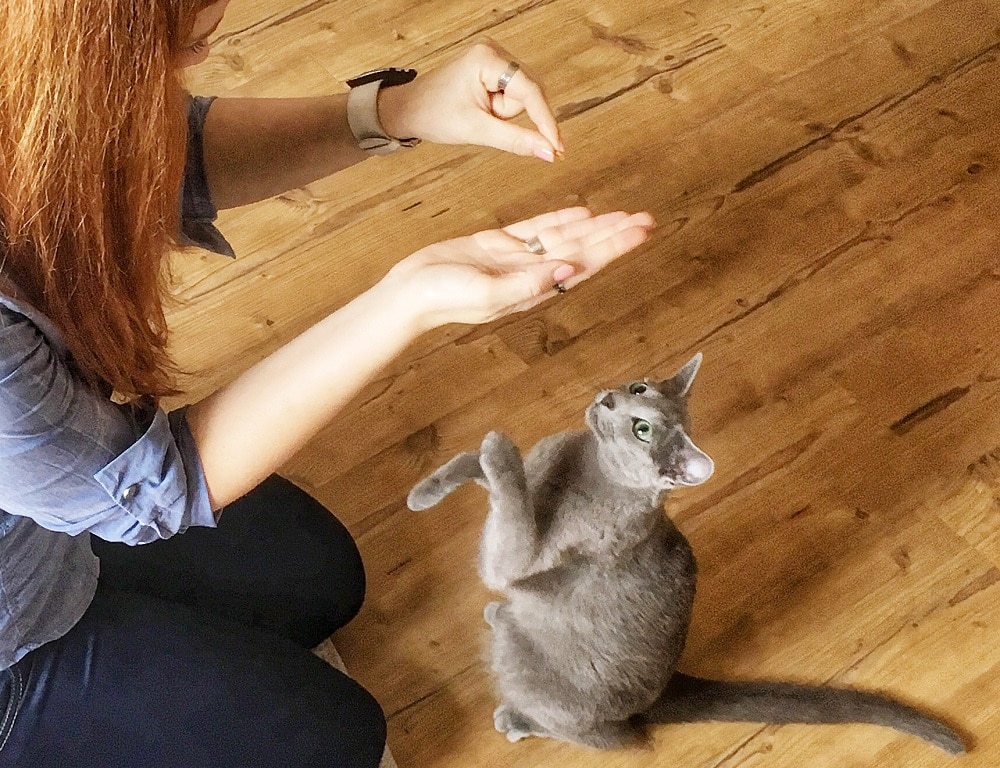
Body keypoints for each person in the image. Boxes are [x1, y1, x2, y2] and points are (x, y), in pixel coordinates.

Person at [0, 1, 656, 766]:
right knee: (339, 742)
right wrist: (406, 298)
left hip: (45, 515)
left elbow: (138, 155)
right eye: (175, 49)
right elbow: (147, 491)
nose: (189, 67)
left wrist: (394, 111)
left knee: (320, 577)